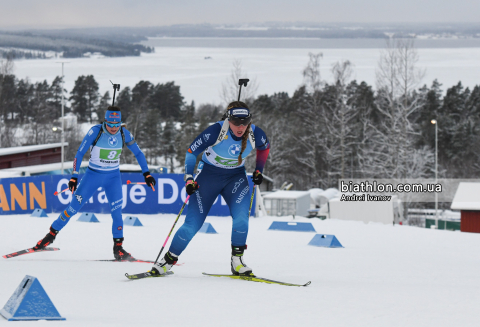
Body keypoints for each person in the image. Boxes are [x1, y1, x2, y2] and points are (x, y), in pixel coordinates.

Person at [151, 101, 270, 276]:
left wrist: (259, 170)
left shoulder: (255, 134)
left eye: (245, 122)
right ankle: (168, 261)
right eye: (236, 122)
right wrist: (189, 178)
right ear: (228, 119)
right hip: (208, 177)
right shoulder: (216, 131)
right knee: (191, 226)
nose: (241, 127)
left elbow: (264, 148)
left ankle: (237, 261)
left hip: (235, 179)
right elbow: (191, 151)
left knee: (241, 220)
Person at [33, 106, 156, 261]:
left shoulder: (125, 134)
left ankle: (118, 248)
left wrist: (146, 173)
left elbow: (138, 153)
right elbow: (79, 152)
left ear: (121, 123)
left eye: (116, 125)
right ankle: (49, 236)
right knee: (72, 208)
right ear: (105, 121)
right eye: (110, 124)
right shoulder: (95, 132)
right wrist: (74, 177)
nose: (113, 128)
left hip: (113, 178)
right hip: (93, 176)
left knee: (117, 213)